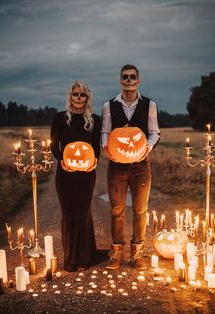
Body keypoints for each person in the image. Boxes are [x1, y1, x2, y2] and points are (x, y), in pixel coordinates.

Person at [101, 64, 160, 270]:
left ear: (138, 80)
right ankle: (117, 253)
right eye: (125, 77)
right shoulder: (109, 106)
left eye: (132, 77)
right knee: (116, 210)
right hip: (116, 165)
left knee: (140, 209)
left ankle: (137, 254)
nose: (128, 80)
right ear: (120, 80)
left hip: (141, 165)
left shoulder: (149, 105)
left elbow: (155, 132)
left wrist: (147, 149)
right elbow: (105, 132)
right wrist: (105, 148)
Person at [50, 80, 101, 272]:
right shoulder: (60, 118)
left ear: (87, 98)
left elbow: (96, 147)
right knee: (69, 214)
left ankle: (84, 258)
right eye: (75, 94)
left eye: (82, 95)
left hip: (87, 174)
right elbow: (54, 145)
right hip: (65, 174)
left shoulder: (94, 120)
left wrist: (94, 160)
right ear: (70, 97)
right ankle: (70, 258)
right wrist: (61, 161)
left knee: (83, 213)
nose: (78, 98)